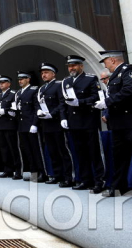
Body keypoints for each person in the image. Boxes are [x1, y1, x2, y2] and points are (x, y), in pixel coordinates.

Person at [60, 55, 105, 193]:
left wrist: (80, 102)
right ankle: (86, 180)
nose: (71, 68)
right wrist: (63, 117)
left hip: (88, 121)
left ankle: (99, 181)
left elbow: (96, 96)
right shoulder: (66, 81)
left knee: (94, 152)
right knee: (80, 153)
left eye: (74, 65)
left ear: (81, 66)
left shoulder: (90, 79)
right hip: (74, 123)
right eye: (69, 66)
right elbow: (63, 102)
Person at [95, 50, 132, 197]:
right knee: (119, 156)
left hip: (128, 121)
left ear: (112, 60)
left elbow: (129, 90)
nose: (105, 65)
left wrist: (107, 102)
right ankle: (118, 187)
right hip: (118, 123)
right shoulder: (116, 74)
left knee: (123, 155)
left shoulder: (126, 71)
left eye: (105, 62)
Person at [36, 63, 74, 188]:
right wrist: (39, 112)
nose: (43, 75)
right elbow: (38, 103)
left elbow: (62, 103)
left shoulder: (58, 85)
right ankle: (57, 175)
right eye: (42, 73)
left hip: (57, 122)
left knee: (63, 150)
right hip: (46, 124)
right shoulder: (41, 89)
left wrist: (52, 114)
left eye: (46, 72)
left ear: (53, 74)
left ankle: (68, 177)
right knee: (52, 151)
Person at [15, 71, 47, 183]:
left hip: (31, 125)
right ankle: (34, 173)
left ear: (28, 79)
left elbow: (36, 108)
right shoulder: (18, 93)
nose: (20, 81)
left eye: (23, 78)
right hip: (22, 125)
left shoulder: (34, 90)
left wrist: (34, 124)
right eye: (19, 79)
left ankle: (42, 173)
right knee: (27, 150)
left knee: (36, 149)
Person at [0, 75, 22, 180]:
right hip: (1, 125)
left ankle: (18, 170)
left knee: (13, 148)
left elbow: (15, 110)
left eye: (4, 82)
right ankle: (7, 170)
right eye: (0, 82)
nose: (1, 84)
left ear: (9, 84)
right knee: (4, 149)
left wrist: (4, 111)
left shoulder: (13, 94)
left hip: (10, 125)